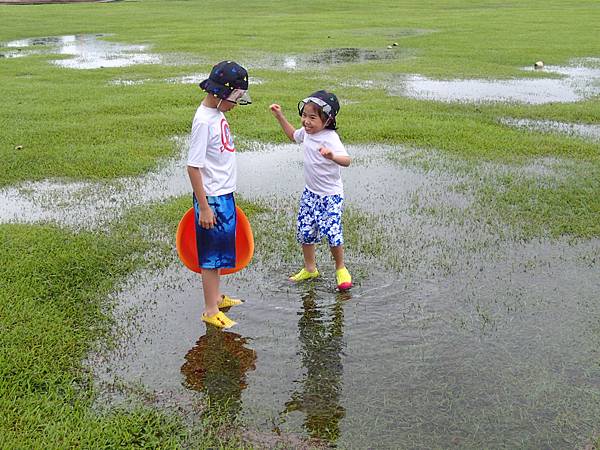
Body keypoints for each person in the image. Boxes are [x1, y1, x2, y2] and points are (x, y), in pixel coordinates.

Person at [187, 60, 251, 329]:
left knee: (221, 252)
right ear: (219, 93)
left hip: (224, 194)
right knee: (211, 257)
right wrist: (204, 207)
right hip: (211, 198)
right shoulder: (204, 121)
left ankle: (217, 297)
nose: (235, 104)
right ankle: (210, 309)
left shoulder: (217, 114)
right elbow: (193, 167)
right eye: (235, 98)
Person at [269, 90, 352, 290]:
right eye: (304, 115)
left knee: (332, 233)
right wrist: (280, 116)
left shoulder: (330, 137)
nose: (306, 121)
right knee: (305, 232)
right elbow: (292, 135)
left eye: (312, 117)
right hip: (310, 193)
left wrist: (332, 156)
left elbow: (347, 161)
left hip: (330, 196)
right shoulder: (306, 134)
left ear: (327, 120)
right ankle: (310, 268)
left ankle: (340, 268)